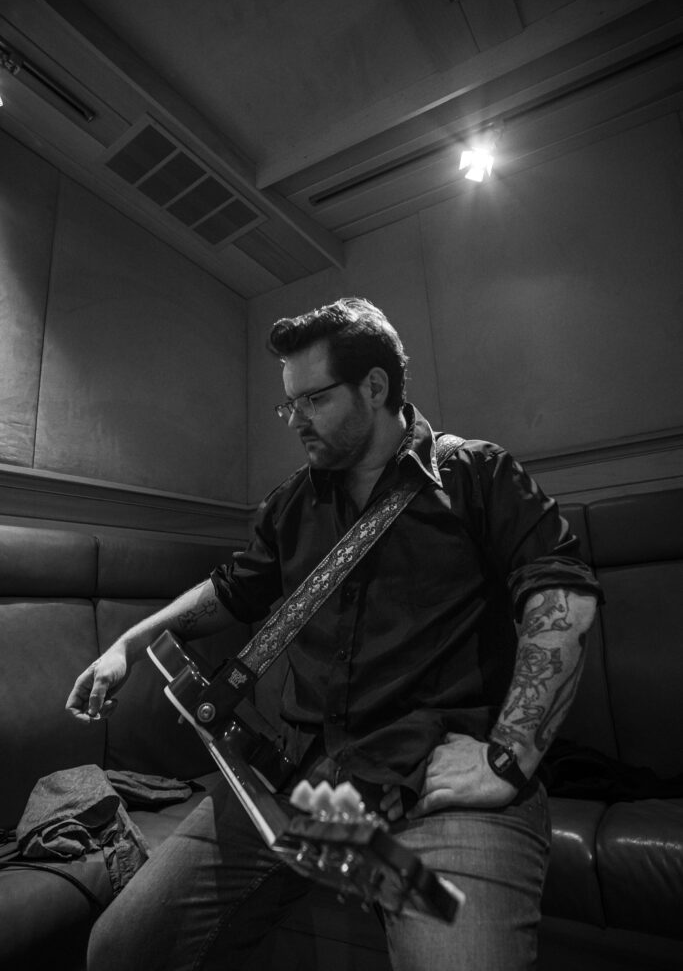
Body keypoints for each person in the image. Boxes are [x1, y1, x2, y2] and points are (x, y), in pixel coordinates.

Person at [66, 297, 602, 971]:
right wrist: (125, 645)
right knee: (120, 949)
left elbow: (560, 595)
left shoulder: (477, 473)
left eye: (313, 400)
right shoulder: (292, 502)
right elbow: (229, 592)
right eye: (288, 404)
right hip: (299, 786)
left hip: (435, 793)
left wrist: (509, 756)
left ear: (374, 387)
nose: (296, 420)